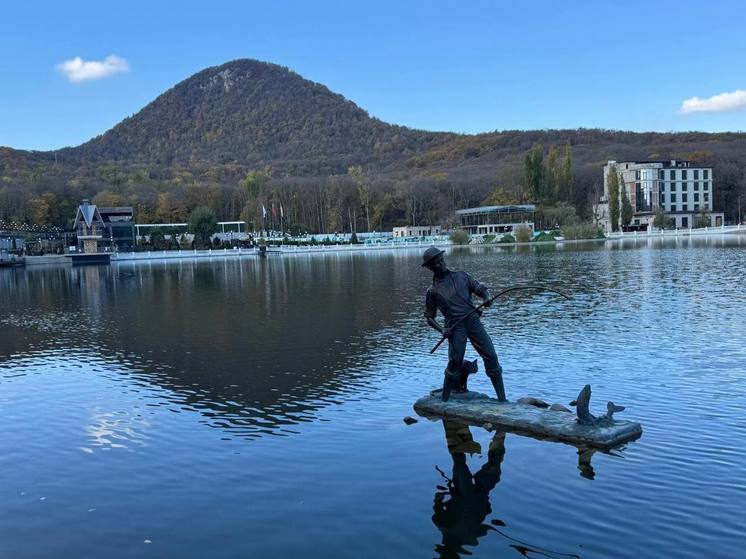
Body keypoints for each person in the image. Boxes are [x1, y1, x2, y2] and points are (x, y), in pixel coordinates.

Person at [422, 247, 507, 402]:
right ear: (429, 267)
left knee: (491, 356)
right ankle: (444, 401)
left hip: (473, 322)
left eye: (441, 260)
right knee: (454, 363)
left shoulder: (461, 276)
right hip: (455, 328)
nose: (440, 264)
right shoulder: (432, 291)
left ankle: (503, 400)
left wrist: (486, 298)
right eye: (435, 263)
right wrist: (442, 330)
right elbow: (429, 317)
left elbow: (480, 289)